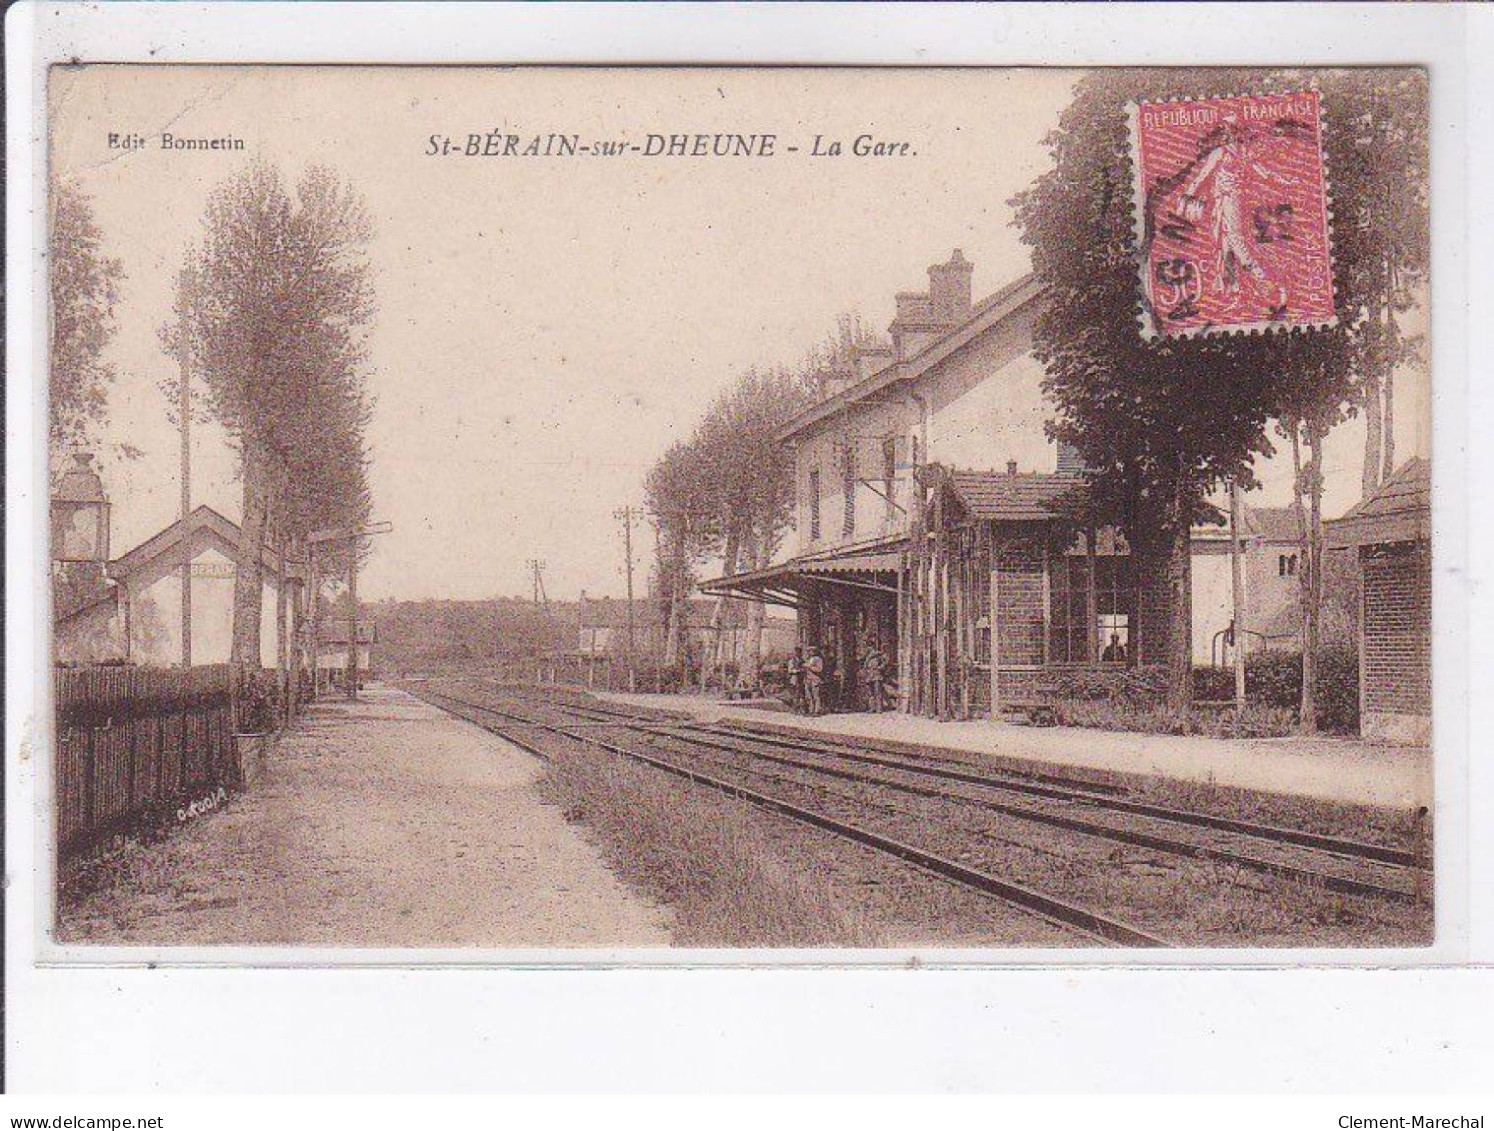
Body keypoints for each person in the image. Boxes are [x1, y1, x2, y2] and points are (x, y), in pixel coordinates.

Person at [861, 644, 887, 713]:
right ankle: (872, 708)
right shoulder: (867, 658)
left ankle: (879, 708)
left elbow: (883, 664)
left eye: (870, 648)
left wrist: (879, 668)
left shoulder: (878, 657)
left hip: (877, 677)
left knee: (878, 693)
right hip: (870, 677)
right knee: (871, 693)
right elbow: (865, 667)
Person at [803, 647, 825, 717]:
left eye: (811, 651)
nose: (809, 652)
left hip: (815, 679)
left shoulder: (818, 659)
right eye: (808, 651)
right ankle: (811, 710)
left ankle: (816, 711)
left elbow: (819, 669)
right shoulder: (808, 659)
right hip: (808, 679)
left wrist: (809, 667)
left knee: (816, 696)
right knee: (809, 696)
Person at [786, 647, 805, 714]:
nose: (798, 654)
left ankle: (800, 709)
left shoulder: (802, 660)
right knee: (795, 695)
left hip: (801, 679)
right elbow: (790, 670)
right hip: (794, 679)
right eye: (797, 652)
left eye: (799, 652)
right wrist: (798, 670)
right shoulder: (792, 661)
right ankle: (795, 709)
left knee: (801, 695)